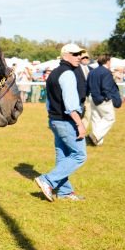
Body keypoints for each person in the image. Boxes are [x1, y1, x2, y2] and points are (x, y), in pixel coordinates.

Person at [34, 43, 87, 202]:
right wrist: (80, 123)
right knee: (79, 155)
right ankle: (47, 180)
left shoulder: (54, 73)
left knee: (63, 157)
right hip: (66, 121)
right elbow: (71, 106)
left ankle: (64, 192)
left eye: (80, 54)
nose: (79, 57)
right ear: (65, 55)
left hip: (55, 120)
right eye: (75, 54)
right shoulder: (68, 74)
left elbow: (48, 101)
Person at [86, 55, 122, 147]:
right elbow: (106, 88)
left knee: (96, 119)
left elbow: (87, 85)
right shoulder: (106, 72)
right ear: (108, 61)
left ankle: (97, 142)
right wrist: (108, 97)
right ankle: (94, 136)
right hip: (102, 98)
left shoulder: (92, 72)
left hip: (92, 97)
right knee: (110, 118)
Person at [78, 52, 93, 133]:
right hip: (79, 96)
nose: (86, 59)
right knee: (78, 114)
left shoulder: (92, 70)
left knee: (88, 115)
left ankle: (82, 131)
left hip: (89, 96)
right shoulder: (75, 69)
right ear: (80, 59)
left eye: (87, 58)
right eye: (84, 58)